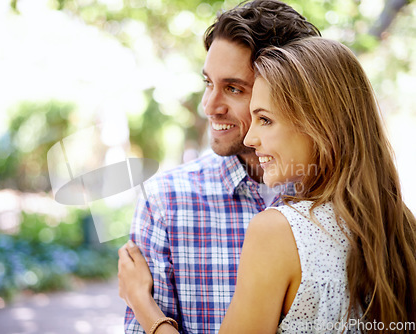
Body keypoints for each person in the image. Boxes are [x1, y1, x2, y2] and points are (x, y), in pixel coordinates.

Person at [119, 37, 416, 333]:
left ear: (319, 125)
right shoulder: (402, 227)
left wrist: (144, 306)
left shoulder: (276, 230)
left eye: (264, 119)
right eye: (207, 83)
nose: (251, 138)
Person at [124, 1, 320, 333]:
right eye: (208, 83)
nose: (209, 106)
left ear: (288, 91)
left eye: (233, 88)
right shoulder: (166, 203)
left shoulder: (338, 198)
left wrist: (148, 311)